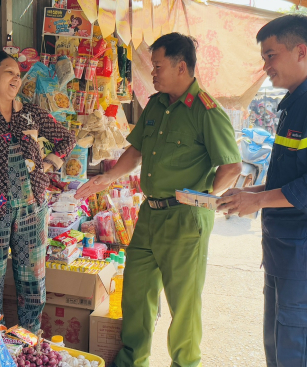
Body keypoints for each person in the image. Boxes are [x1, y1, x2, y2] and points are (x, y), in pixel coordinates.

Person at [74, 32, 242, 367]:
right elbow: (135, 152)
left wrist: (207, 199)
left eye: (158, 66)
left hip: (185, 219)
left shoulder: (205, 110)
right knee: (136, 296)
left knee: (183, 306)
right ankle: (132, 361)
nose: (153, 73)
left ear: (182, 67)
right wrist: (107, 177)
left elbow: (232, 166)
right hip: (149, 216)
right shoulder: (156, 104)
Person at [216, 14, 307, 367]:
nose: (265, 67)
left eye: (270, 55)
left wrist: (259, 199)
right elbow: (291, 182)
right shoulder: (295, 104)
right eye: (263, 57)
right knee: (280, 353)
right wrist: (248, 195)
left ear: (300, 51)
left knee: (300, 356)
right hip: (284, 254)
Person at [0, 51, 76, 331]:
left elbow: (67, 138)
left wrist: (49, 163)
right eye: (9, 72)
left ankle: (30, 341)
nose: (16, 78)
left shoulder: (31, 113)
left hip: (32, 209)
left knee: (33, 283)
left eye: (19, 74)